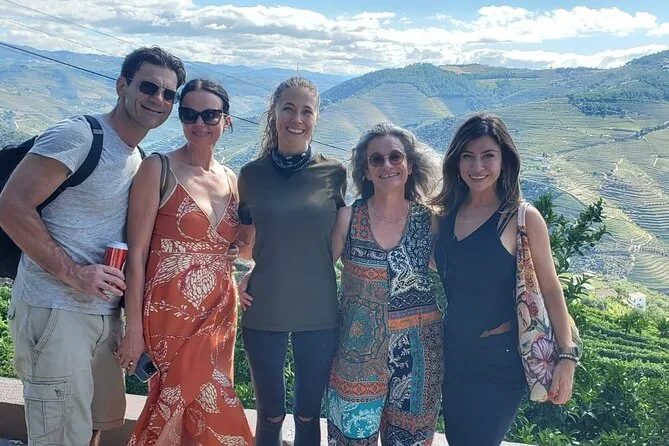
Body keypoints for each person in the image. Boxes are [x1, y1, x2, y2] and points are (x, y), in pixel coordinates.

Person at [0, 47, 185, 446]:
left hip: (103, 318)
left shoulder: (136, 157)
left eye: (169, 94)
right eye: (148, 87)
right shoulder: (78, 136)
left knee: (93, 428)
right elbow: (11, 206)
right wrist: (74, 274)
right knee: (60, 437)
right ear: (122, 86)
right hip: (56, 311)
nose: (158, 99)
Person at [431, 113, 579, 445]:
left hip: (499, 360)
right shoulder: (445, 215)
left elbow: (551, 289)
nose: (477, 166)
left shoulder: (521, 218)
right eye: (468, 156)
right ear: (456, 161)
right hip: (454, 354)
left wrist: (567, 358)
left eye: (488, 155)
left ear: (504, 160)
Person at [123, 79, 253, 445]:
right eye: (189, 114)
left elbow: (241, 249)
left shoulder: (231, 178)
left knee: (201, 410)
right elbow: (136, 255)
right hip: (169, 310)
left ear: (226, 120)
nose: (200, 123)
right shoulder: (157, 168)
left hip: (219, 312)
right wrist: (133, 329)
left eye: (210, 115)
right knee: (184, 403)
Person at [236, 76, 347, 446]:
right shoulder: (251, 175)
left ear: (316, 118)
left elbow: (340, 237)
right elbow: (243, 243)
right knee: (270, 415)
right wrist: (240, 274)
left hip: (319, 309)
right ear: (274, 113)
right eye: (288, 108)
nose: (297, 119)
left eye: (306, 111)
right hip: (264, 305)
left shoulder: (335, 173)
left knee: (308, 415)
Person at [327, 122, 444, 445]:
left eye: (395, 157)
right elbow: (316, 273)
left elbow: (460, 274)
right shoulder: (349, 218)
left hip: (420, 356)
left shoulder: (430, 220)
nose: (387, 165)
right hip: (356, 354)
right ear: (366, 171)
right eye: (376, 159)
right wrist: (258, 274)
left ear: (410, 165)